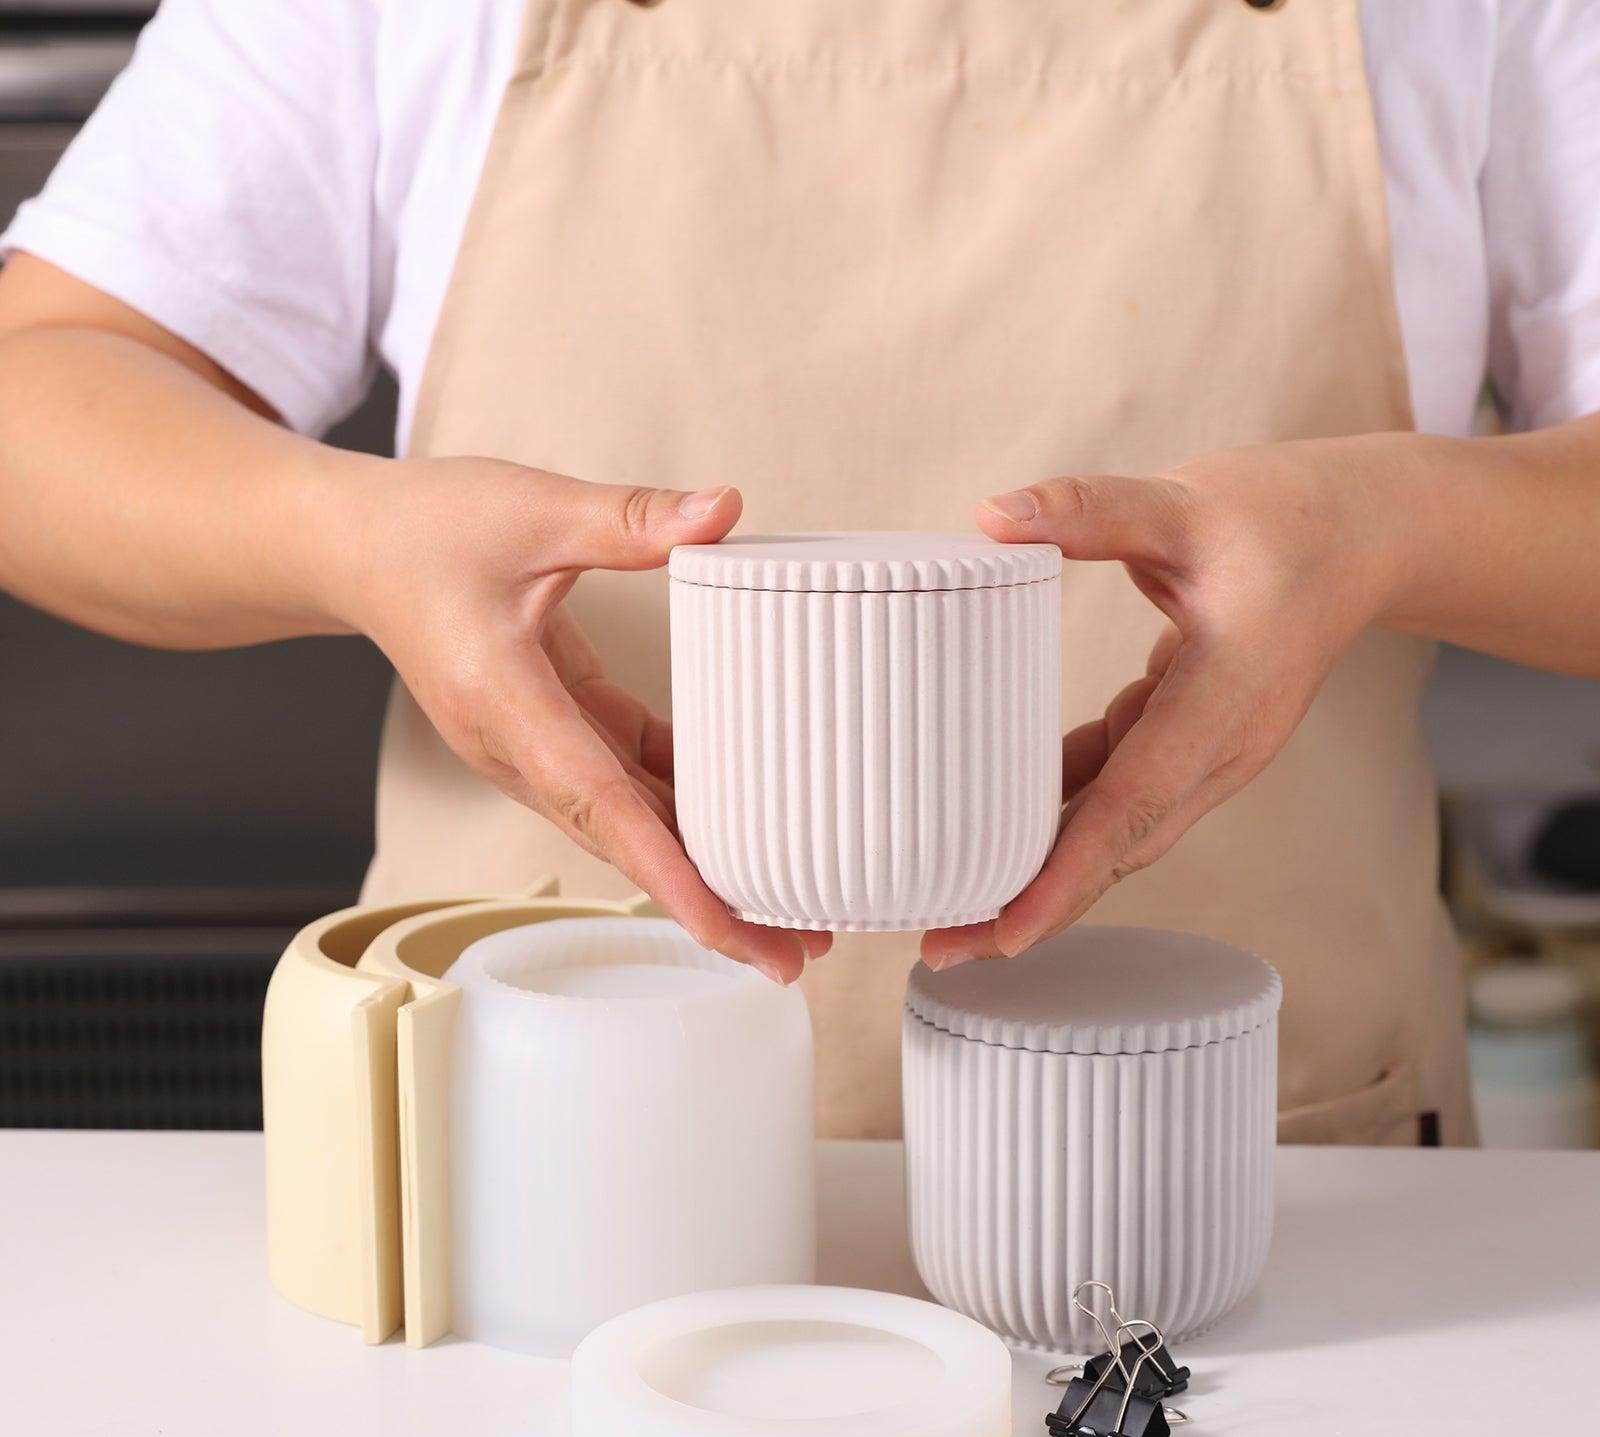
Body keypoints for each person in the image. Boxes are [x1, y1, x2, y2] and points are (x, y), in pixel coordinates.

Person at [1, 0, 1597, 1146]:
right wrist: (349, 537)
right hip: (544, 1202)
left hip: (1271, 1202)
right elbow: (40, 398)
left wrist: (1385, 525)